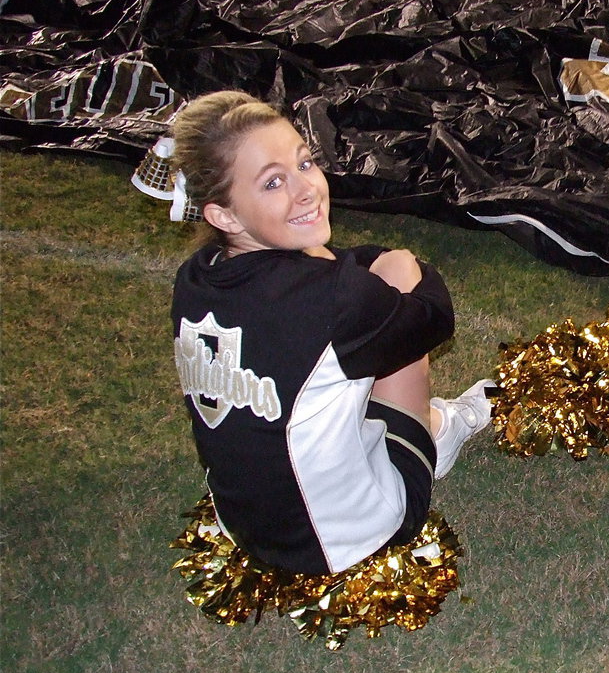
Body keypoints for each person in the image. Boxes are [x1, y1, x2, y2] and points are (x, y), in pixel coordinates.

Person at [170, 90, 493, 575]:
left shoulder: (194, 277)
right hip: (348, 537)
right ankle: (437, 431)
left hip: (246, 527)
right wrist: (394, 265)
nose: (305, 190)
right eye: (273, 181)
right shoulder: (333, 297)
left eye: (304, 163)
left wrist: (339, 263)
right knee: (400, 276)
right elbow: (433, 316)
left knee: (336, 347)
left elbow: (332, 273)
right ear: (224, 214)